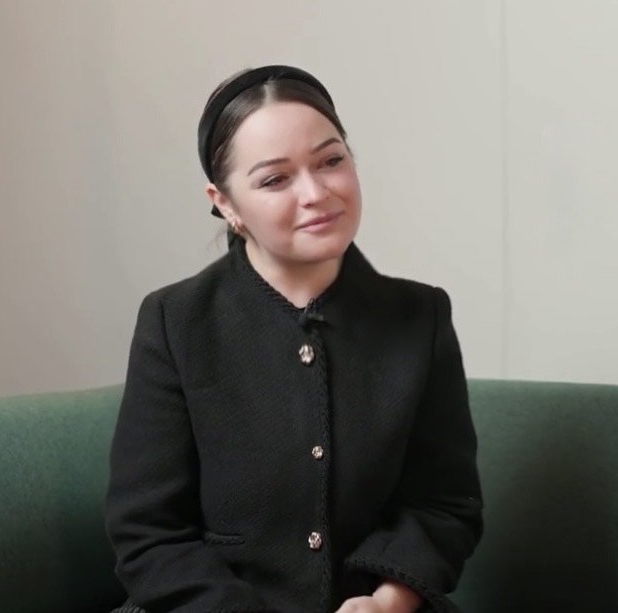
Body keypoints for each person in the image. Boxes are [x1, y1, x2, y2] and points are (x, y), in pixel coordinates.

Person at [104, 65, 483, 613]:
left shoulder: (419, 317)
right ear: (226, 203)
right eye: (275, 179)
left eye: (331, 161)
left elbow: (444, 505)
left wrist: (388, 601)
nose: (316, 193)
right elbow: (149, 534)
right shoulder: (176, 320)